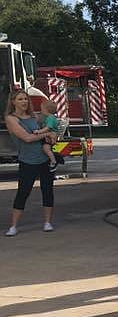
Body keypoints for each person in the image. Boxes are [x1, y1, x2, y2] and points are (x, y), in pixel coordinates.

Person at [5, 89, 56, 236]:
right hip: (27, 161)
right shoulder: (11, 119)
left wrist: (52, 136)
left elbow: (51, 127)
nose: (24, 102)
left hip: (44, 159)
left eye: (26, 99)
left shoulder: (35, 117)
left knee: (47, 191)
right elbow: (26, 138)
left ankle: (47, 222)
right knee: (23, 192)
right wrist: (47, 134)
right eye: (20, 99)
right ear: (13, 102)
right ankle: (13, 226)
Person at [37, 100, 61, 171]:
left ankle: (54, 162)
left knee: (46, 149)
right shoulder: (50, 117)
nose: (41, 111)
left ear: (46, 110)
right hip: (49, 136)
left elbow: (48, 128)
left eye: (42, 109)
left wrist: (39, 132)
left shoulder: (50, 118)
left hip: (51, 136)